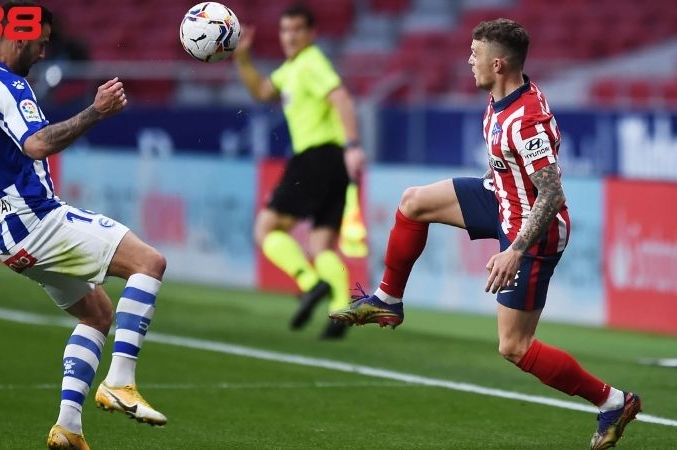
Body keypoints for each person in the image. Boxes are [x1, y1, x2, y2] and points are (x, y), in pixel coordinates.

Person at [330, 18, 641, 449]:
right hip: (499, 199)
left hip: (535, 231)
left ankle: (612, 401)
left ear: (497, 63)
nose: (467, 60)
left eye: (474, 54)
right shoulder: (500, 98)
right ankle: (388, 300)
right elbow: (510, 168)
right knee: (412, 202)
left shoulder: (525, 120)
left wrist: (514, 249)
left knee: (513, 346)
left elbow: (551, 195)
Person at [0, 2, 167, 448]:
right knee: (149, 263)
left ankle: (68, 427)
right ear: (18, 35)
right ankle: (119, 381)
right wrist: (96, 110)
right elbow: (37, 144)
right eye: (41, 43)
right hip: (38, 221)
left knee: (98, 314)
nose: (44, 53)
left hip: (10, 240)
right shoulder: (8, 85)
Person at [232, 4, 366, 339]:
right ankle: (340, 310)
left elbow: (342, 99)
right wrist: (243, 59)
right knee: (322, 244)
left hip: (317, 155)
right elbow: (263, 92)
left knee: (266, 228)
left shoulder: (311, 63)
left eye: (297, 30)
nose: (290, 37)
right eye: (285, 30)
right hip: (332, 162)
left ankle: (309, 285)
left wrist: (353, 145)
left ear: (311, 33)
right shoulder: (292, 68)